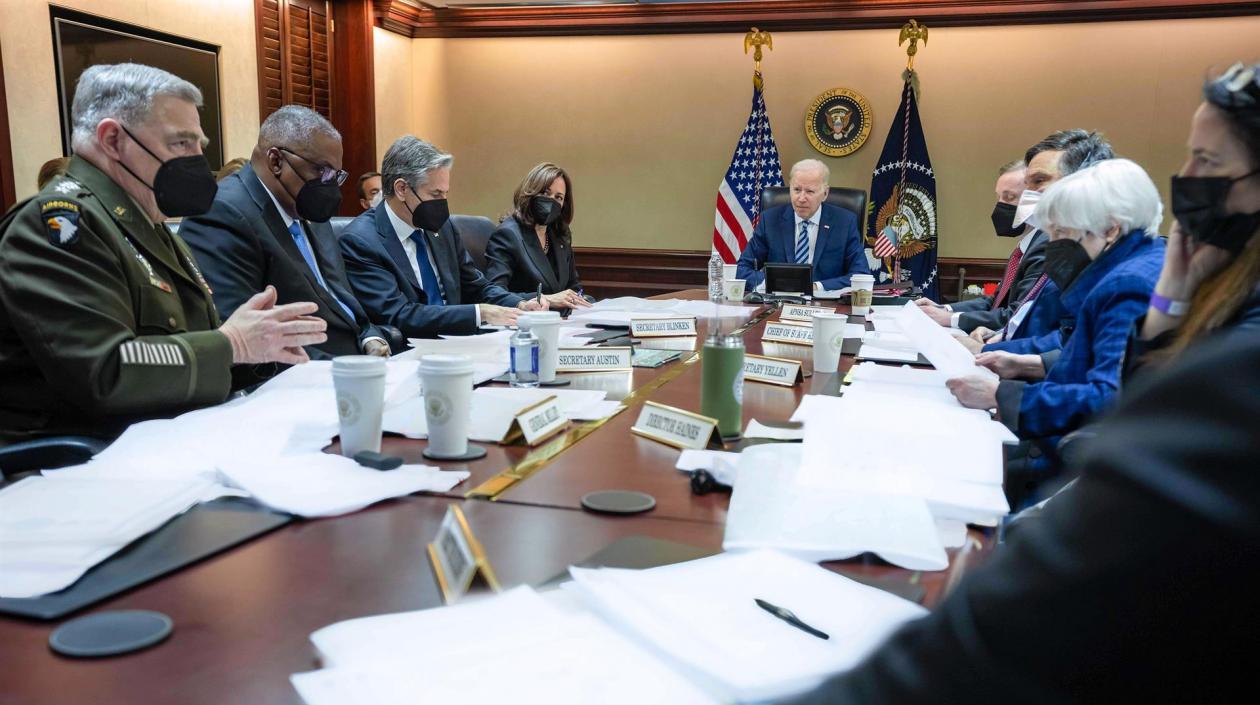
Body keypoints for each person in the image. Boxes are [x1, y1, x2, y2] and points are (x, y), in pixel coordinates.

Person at [783, 328, 1260, 705]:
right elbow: (1065, 340)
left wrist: (1009, 391)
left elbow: (976, 651)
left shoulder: (1225, 370)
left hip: (1043, 461)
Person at [0, 64, 325, 442]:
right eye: (180, 144)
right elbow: (105, 370)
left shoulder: (147, 224)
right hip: (87, 453)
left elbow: (191, 352)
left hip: (168, 434)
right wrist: (231, 344)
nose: (197, 160)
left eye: (198, 145)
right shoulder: (59, 225)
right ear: (112, 140)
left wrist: (261, 347)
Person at [947, 159, 1165, 497]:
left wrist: (1001, 396)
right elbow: (1090, 358)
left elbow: (1110, 396)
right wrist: (1022, 363)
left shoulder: (1128, 284)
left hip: (1067, 464)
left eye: (1062, 234)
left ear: (1110, 230)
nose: (1053, 247)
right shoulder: (1135, 265)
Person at [180, 106, 390, 367]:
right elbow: (246, 340)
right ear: (276, 161)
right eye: (321, 171)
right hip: (305, 375)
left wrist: (371, 337)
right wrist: (346, 370)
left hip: (358, 365)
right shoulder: (220, 213)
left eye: (335, 176)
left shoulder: (307, 207)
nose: (328, 185)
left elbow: (339, 298)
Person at [338, 136, 546, 338]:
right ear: (401, 189)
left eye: (446, 194)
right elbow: (398, 314)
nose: (443, 203)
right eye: (435, 194)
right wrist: (479, 313)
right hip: (410, 348)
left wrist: (518, 304)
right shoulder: (361, 241)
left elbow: (475, 285)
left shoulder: (442, 227)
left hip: (460, 342)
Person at [1127, 61, 1260, 376]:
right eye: (1191, 155)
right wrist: (1172, 291)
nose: (1186, 174)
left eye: (1207, 160)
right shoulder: (1221, 264)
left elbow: (1160, 401)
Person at [958, 130, 1115, 355]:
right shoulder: (1066, 253)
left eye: (1039, 181)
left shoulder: (1119, 268)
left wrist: (992, 349)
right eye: (1027, 184)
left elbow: (1084, 349)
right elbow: (1052, 331)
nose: (1027, 196)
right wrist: (1001, 336)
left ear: (1082, 183)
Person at [916, 161, 1046, 334]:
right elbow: (996, 300)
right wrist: (944, 309)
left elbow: (1015, 315)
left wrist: (949, 319)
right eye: (998, 197)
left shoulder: (1043, 246)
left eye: (1009, 197)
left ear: (1033, 199)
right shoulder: (1025, 247)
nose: (1000, 206)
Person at [736, 159, 870, 293]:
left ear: (825, 193)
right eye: (797, 190)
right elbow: (742, 269)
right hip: (779, 301)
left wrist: (815, 287)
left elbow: (861, 275)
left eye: (810, 191)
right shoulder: (770, 220)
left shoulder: (845, 222)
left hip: (825, 303)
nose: (801, 198)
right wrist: (775, 282)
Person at [483, 162, 590, 309]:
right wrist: (545, 299)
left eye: (558, 197)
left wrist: (583, 301)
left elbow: (574, 288)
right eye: (545, 193)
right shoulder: (508, 235)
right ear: (530, 192)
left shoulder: (559, 237)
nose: (551, 201)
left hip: (562, 320)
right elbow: (494, 294)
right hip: (525, 319)